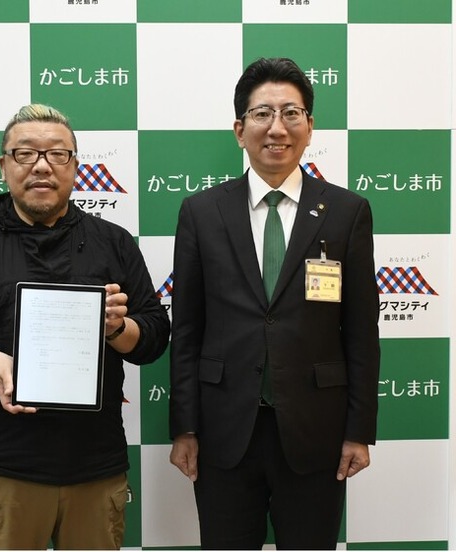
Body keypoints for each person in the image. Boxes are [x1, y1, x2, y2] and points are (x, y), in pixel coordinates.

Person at [0, 104, 170, 550]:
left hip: (95, 467)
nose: (42, 166)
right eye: (26, 153)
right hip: (5, 469)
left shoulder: (112, 242)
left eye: (57, 154)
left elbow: (154, 335)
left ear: (75, 165)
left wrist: (117, 328)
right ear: (4, 165)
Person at [169, 57, 380, 550]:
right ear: (239, 129)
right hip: (224, 431)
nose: (277, 128)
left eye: (291, 113)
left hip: (315, 431)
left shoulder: (346, 212)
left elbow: (361, 332)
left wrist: (359, 431)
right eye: (262, 113)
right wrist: (185, 427)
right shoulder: (201, 212)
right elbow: (188, 330)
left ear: (310, 126)